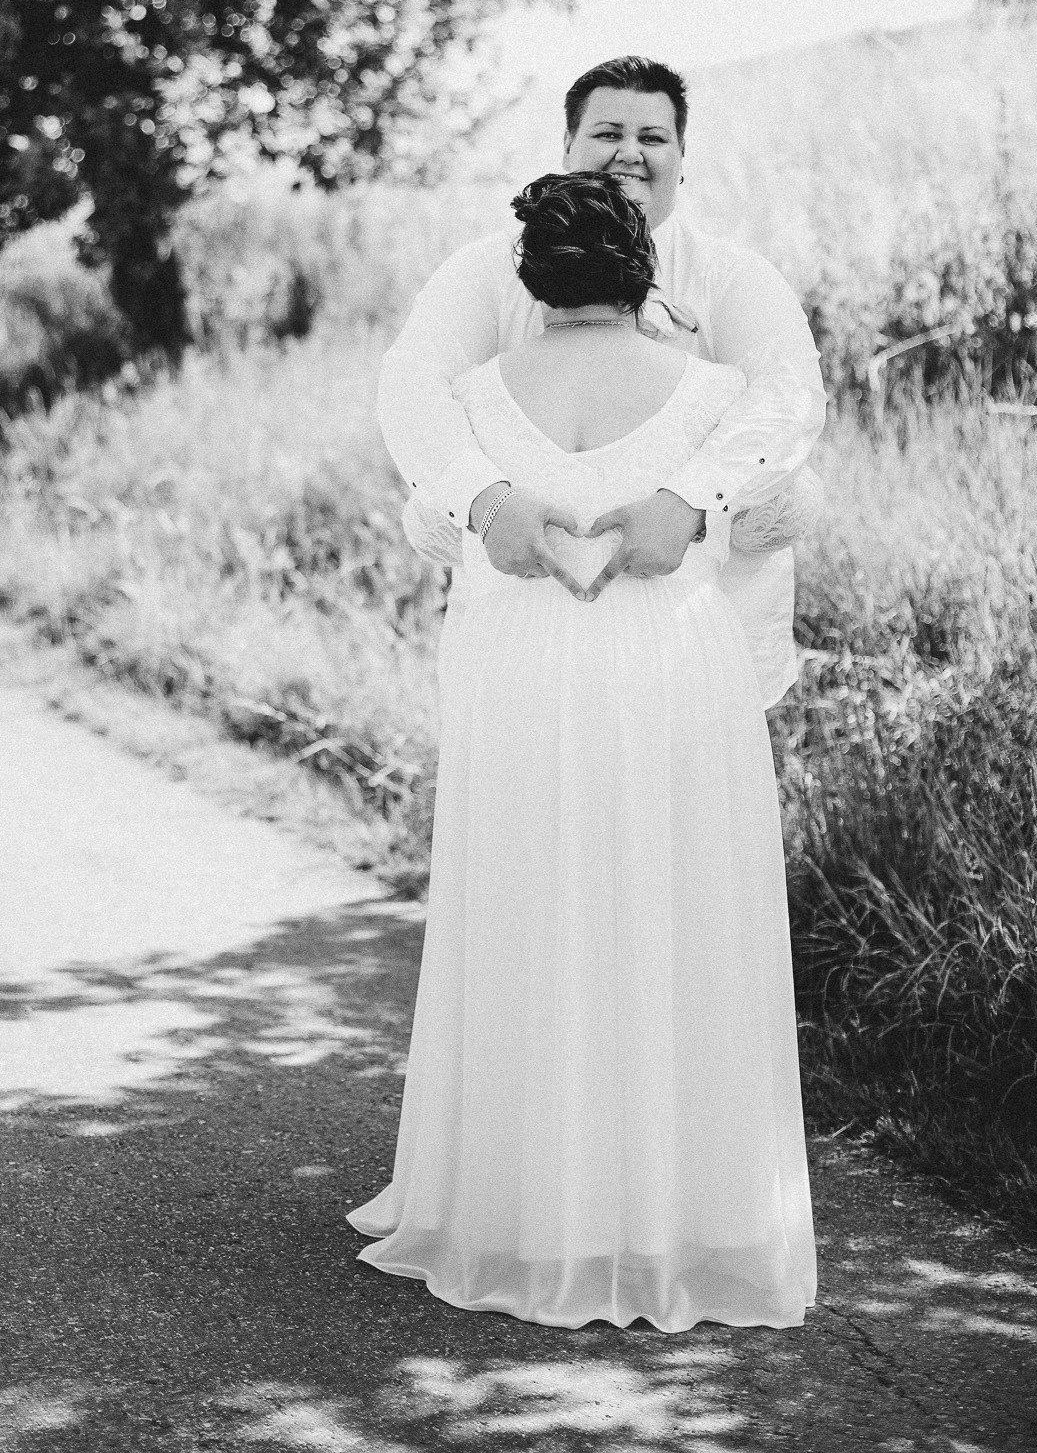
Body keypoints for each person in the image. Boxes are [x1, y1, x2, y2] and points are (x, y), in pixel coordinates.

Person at [346, 170, 818, 1331]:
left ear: (531, 277)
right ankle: (682, 1208)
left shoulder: (468, 400)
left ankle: (526, 1206)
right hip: (670, 663)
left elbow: (428, 499)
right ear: (643, 273)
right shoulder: (713, 396)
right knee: (674, 911)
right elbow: (779, 494)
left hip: (517, 665)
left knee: (528, 910)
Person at [376, 54, 827, 706]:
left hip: (702, 638)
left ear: (682, 159)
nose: (629, 153)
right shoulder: (484, 271)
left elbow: (789, 396)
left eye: (653, 138)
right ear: (566, 148)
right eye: (608, 133)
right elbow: (411, 386)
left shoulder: (734, 277)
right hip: (525, 636)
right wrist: (484, 500)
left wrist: (690, 501)